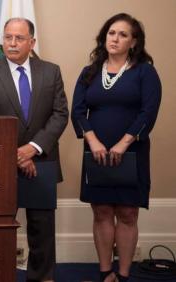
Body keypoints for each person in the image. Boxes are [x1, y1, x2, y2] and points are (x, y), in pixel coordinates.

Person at [0, 18, 68, 281]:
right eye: (8, 37)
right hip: (1, 163)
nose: (12, 43)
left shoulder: (51, 71)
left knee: (42, 228)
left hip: (43, 160)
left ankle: (42, 277)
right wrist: (17, 155)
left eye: (19, 38)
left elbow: (60, 114)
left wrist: (33, 148)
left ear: (32, 42)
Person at [71, 13, 161, 282]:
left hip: (132, 152)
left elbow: (148, 112)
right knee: (101, 211)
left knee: (127, 212)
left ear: (133, 42)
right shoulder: (89, 72)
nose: (115, 38)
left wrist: (123, 144)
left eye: (123, 34)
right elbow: (77, 111)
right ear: (104, 36)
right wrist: (93, 140)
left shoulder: (145, 71)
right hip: (95, 152)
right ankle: (104, 272)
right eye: (111, 32)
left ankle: (123, 275)